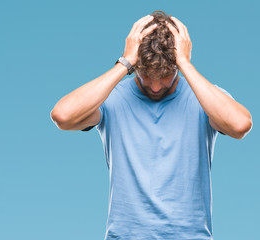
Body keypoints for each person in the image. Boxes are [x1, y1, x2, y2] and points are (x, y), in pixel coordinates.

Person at [50, 10, 252, 240]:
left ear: (176, 64)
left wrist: (185, 63)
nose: (155, 87)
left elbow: (240, 125)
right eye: (147, 75)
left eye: (165, 75)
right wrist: (124, 62)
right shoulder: (114, 98)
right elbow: (62, 116)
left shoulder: (203, 99)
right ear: (136, 66)